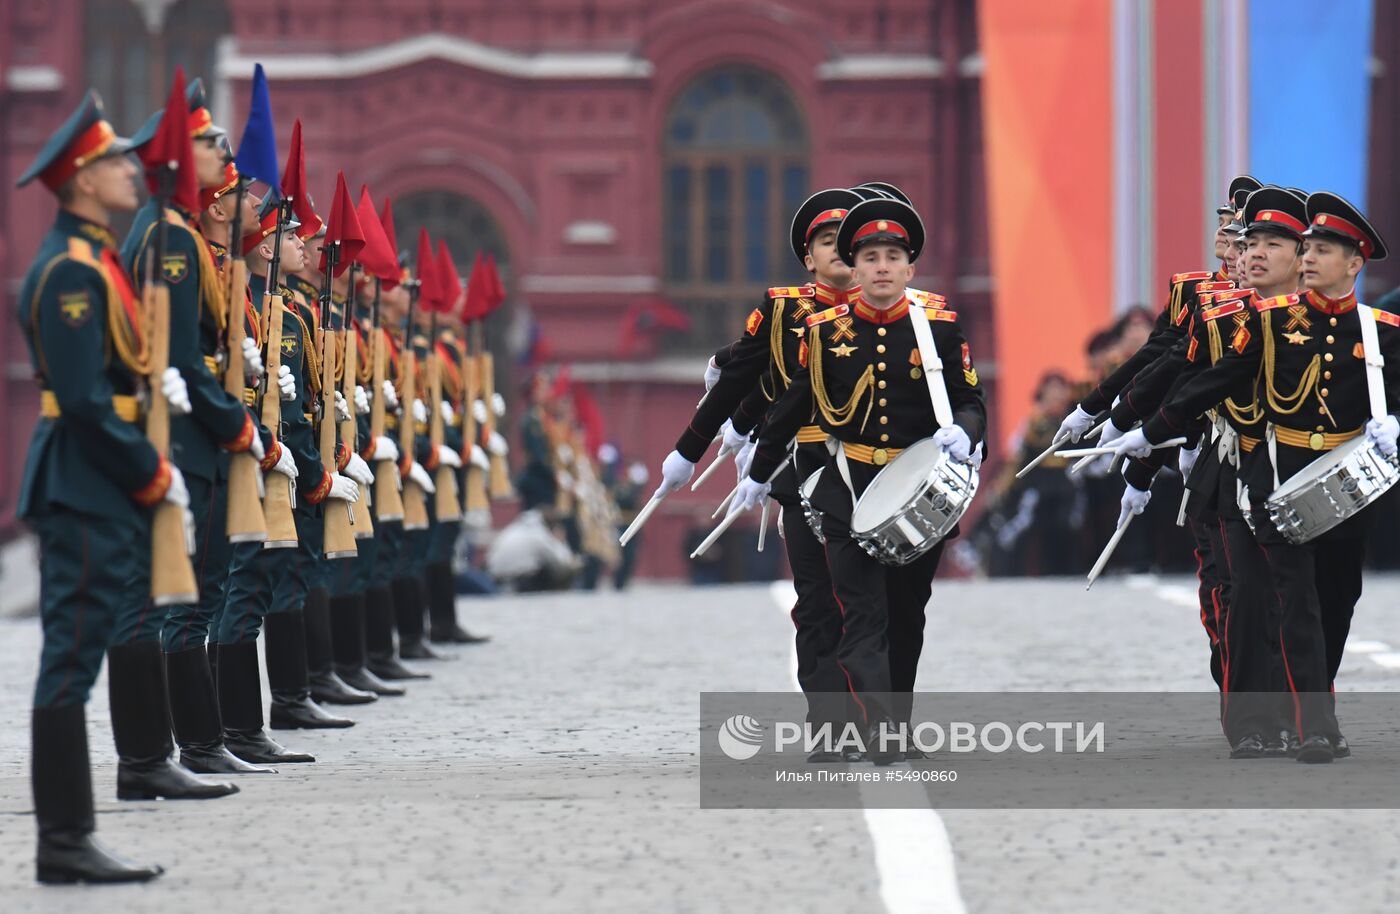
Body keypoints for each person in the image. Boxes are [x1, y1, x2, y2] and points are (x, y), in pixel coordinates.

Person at [1113, 191, 1399, 763]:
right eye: (1309, 246)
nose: (1311, 257)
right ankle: (1307, 725)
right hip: (1271, 481)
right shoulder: (1267, 322)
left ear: (1354, 263)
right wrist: (1147, 433)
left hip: (1347, 491)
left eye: (1322, 249)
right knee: (1280, 601)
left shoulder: (1382, 331)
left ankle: (1310, 703)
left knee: (1335, 600)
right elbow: (1211, 379)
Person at [735, 197, 987, 763]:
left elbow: (971, 399)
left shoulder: (938, 327)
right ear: (855, 265)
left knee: (907, 615)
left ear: (909, 268)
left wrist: (967, 434)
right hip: (846, 490)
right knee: (862, 612)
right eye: (869, 256)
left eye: (892, 256)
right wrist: (759, 468)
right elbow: (792, 402)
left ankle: (897, 722)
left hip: (916, 491)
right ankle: (879, 733)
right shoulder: (824, 331)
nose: (880, 267)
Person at [16, 90, 175, 883]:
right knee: (71, 657)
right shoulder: (71, 276)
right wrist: (147, 470)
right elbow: (81, 401)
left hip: (97, 480)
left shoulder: (96, 260)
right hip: (84, 482)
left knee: (79, 652)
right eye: (115, 161)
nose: (131, 170)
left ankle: (70, 836)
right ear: (80, 180)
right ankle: (63, 841)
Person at [652, 188, 863, 760]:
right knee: (817, 600)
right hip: (806, 469)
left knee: (873, 604)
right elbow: (743, 381)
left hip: (879, 478)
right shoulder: (785, 310)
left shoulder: (896, 312)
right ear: (809, 258)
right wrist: (688, 451)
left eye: (850, 242)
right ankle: (830, 723)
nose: (840, 252)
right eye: (827, 243)